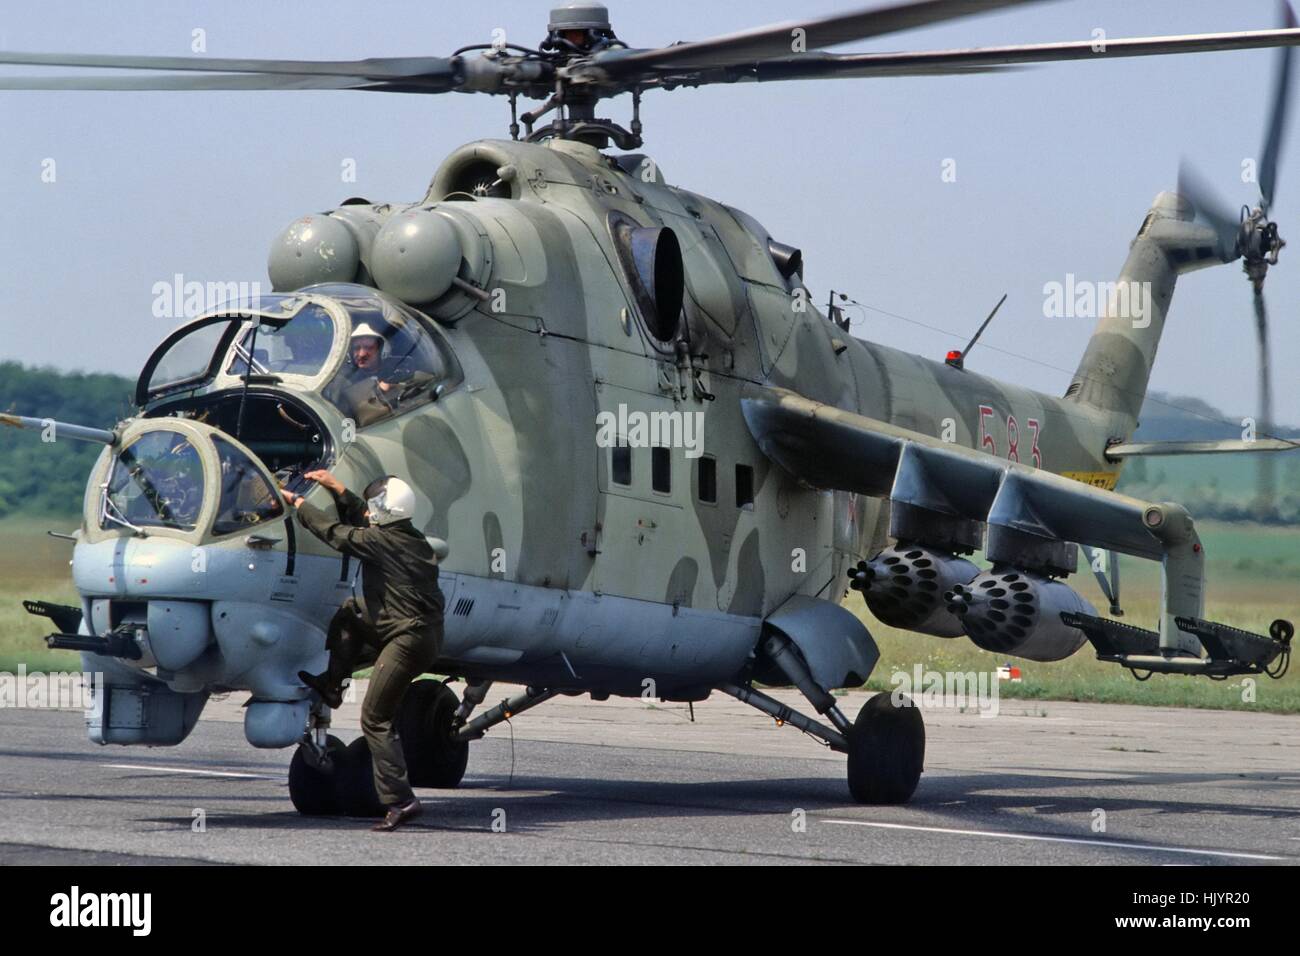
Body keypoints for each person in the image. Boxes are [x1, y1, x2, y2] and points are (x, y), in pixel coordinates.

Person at [283, 469, 444, 832]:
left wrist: (299, 503)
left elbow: (336, 534)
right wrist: (338, 489)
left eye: (373, 509)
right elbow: (364, 522)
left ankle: (401, 800)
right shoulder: (409, 537)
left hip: (408, 640)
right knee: (351, 612)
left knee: (375, 719)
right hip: (417, 631)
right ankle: (333, 685)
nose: (368, 514)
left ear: (384, 513)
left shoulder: (382, 541)